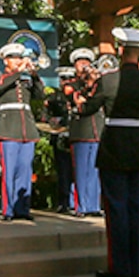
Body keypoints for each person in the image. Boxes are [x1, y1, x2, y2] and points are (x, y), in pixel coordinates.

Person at [89, 28, 139, 277]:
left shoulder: (108, 81)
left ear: (121, 51)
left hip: (114, 147)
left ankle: (119, 266)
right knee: (137, 207)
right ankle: (136, 266)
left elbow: (90, 107)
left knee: (116, 207)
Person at [0, 43, 40, 220]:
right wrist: (19, 72)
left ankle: (22, 209)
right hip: (8, 128)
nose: (18, 61)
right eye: (14, 58)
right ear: (5, 61)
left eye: (19, 57)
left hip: (26, 128)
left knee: (25, 171)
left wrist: (34, 74)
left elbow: (39, 95)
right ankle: (7, 210)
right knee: (9, 171)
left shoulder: (25, 79)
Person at [67, 48, 104, 215]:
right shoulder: (71, 84)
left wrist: (95, 81)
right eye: (80, 62)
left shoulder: (99, 83)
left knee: (96, 170)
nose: (84, 66)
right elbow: (76, 98)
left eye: (86, 62)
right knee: (81, 171)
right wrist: (88, 84)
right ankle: (81, 206)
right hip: (80, 131)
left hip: (97, 130)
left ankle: (94, 206)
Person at [44, 67, 77, 213]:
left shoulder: (79, 95)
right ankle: (63, 203)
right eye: (63, 80)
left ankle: (75, 202)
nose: (66, 83)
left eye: (69, 79)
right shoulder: (53, 98)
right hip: (60, 138)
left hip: (76, 136)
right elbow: (44, 117)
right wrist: (52, 120)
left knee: (77, 172)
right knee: (63, 172)